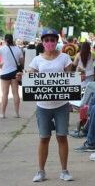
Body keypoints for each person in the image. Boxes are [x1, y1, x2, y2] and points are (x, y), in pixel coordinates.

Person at [27, 28, 73, 182]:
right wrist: (25, 75)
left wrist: (77, 74)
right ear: (43, 42)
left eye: (52, 40)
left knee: (62, 137)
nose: (50, 42)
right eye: (46, 40)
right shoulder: (37, 60)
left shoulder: (65, 58)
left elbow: (70, 78)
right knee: (44, 138)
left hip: (61, 105)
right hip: (43, 106)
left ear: (56, 41)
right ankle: (41, 171)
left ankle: (65, 170)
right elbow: (30, 75)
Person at [0, 34, 23, 119]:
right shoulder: (18, 49)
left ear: (5, 40)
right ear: (12, 39)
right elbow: (22, 62)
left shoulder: (2, 48)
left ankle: (2, 113)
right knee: (16, 93)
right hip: (15, 73)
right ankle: (17, 113)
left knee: (5, 93)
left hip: (5, 73)